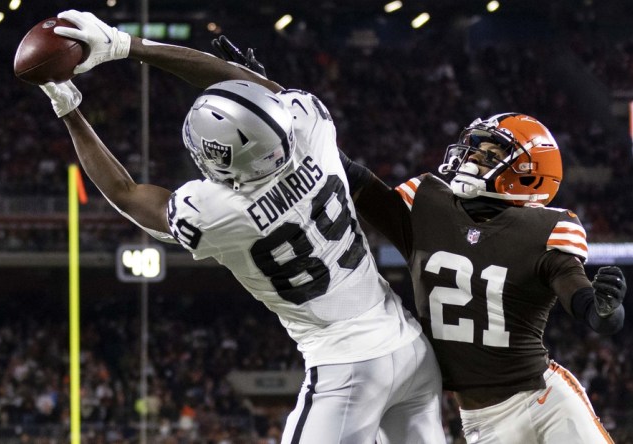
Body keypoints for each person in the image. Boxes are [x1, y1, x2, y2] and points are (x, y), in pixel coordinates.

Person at [36, 10, 446, 444]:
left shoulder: (219, 210)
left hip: (347, 367)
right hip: (411, 348)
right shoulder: (311, 126)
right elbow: (241, 80)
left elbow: (125, 192)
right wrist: (127, 44)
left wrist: (70, 111)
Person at [212, 40, 629, 443]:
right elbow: (341, 167)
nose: (469, 158)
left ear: (528, 174)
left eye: (486, 154)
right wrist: (276, 105)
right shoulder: (427, 206)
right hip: (481, 417)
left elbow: (584, 301)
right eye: (474, 149)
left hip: (545, 400)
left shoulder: (545, 231)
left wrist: (603, 309)